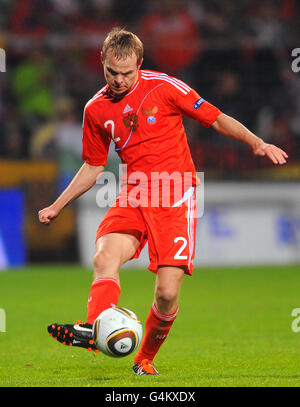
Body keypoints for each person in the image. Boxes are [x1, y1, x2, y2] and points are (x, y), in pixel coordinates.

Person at [38, 28, 288, 376]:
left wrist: (257, 142)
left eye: (127, 73)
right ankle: (94, 326)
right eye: (113, 72)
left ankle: (144, 359)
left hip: (176, 195)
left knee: (167, 294)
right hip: (134, 193)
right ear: (103, 64)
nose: (120, 80)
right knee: (104, 256)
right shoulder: (95, 109)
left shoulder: (165, 87)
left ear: (140, 64)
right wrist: (57, 204)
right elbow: (95, 165)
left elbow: (214, 117)